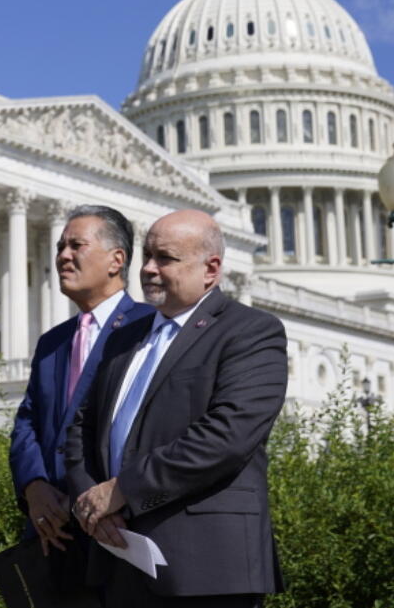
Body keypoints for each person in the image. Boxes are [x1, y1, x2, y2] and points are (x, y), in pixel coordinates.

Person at [66, 209, 287, 607]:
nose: (148, 269)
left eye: (165, 258)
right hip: (120, 559)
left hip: (208, 568)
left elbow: (226, 438)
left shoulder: (250, 332)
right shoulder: (122, 338)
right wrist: (94, 506)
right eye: (147, 256)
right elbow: (81, 429)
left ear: (211, 268)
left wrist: (124, 490)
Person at [10, 205, 152, 565]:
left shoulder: (150, 328)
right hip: (52, 531)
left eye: (76, 245)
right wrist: (34, 486)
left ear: (116, 260)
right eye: (60, 247)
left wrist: (114, 495)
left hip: (119, 528)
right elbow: (28, 421)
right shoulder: (52, 341)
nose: (62, 256)